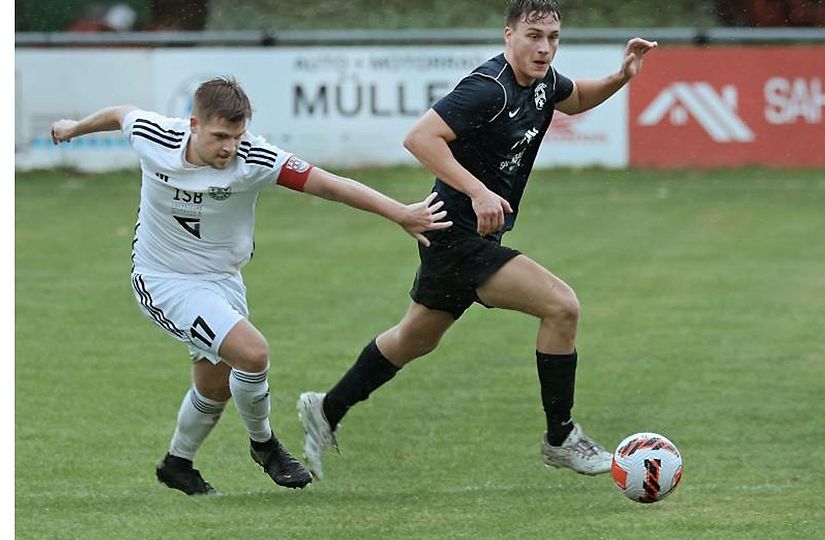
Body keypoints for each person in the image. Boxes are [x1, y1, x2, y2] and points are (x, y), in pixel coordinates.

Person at [297, 0, 658, 479]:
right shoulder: (488, 89)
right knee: (562, 307)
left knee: (414, 339)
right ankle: (561, 437)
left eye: (552, 37)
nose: (544, 46)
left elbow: (575, 98)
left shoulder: (544, 81)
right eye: (533, 35)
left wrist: (621, 76)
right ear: (508, 35)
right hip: (459, 236)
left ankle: (326, 409)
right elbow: (421, 138)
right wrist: (479, 190)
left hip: (453, 235)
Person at [49, 77, 451, 495]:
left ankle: (177, 463)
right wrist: (74, 128)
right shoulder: (156, 136)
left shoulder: (256, 157)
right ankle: (266, 446)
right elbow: (120, 114)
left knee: (215, 386)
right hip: (163, 280)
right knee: (252, 353)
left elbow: (331, 185)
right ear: (193, 125)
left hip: (223, 280)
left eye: (236, 136)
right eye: (220, 136)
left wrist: (399, 212)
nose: (229, 147)